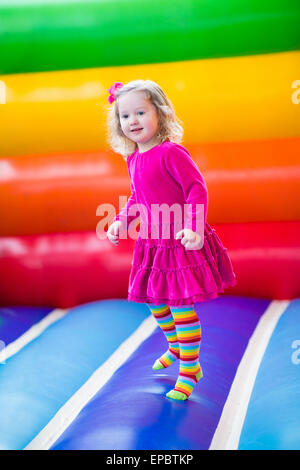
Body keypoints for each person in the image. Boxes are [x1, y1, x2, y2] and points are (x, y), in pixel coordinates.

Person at [106, 80, 237, 401]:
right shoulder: (133, 157)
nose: (132, 121)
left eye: (140, 112)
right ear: (117, 123)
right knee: (154, 301)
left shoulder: (170, 153)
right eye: (125, 116)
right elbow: (138, 195)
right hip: (152, 242)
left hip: (180, 240)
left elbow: (197, 189)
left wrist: (193, 227)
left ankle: (190, 369)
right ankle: (176, 346)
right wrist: (122, 221)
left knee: (180, 306)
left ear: (160, 114)